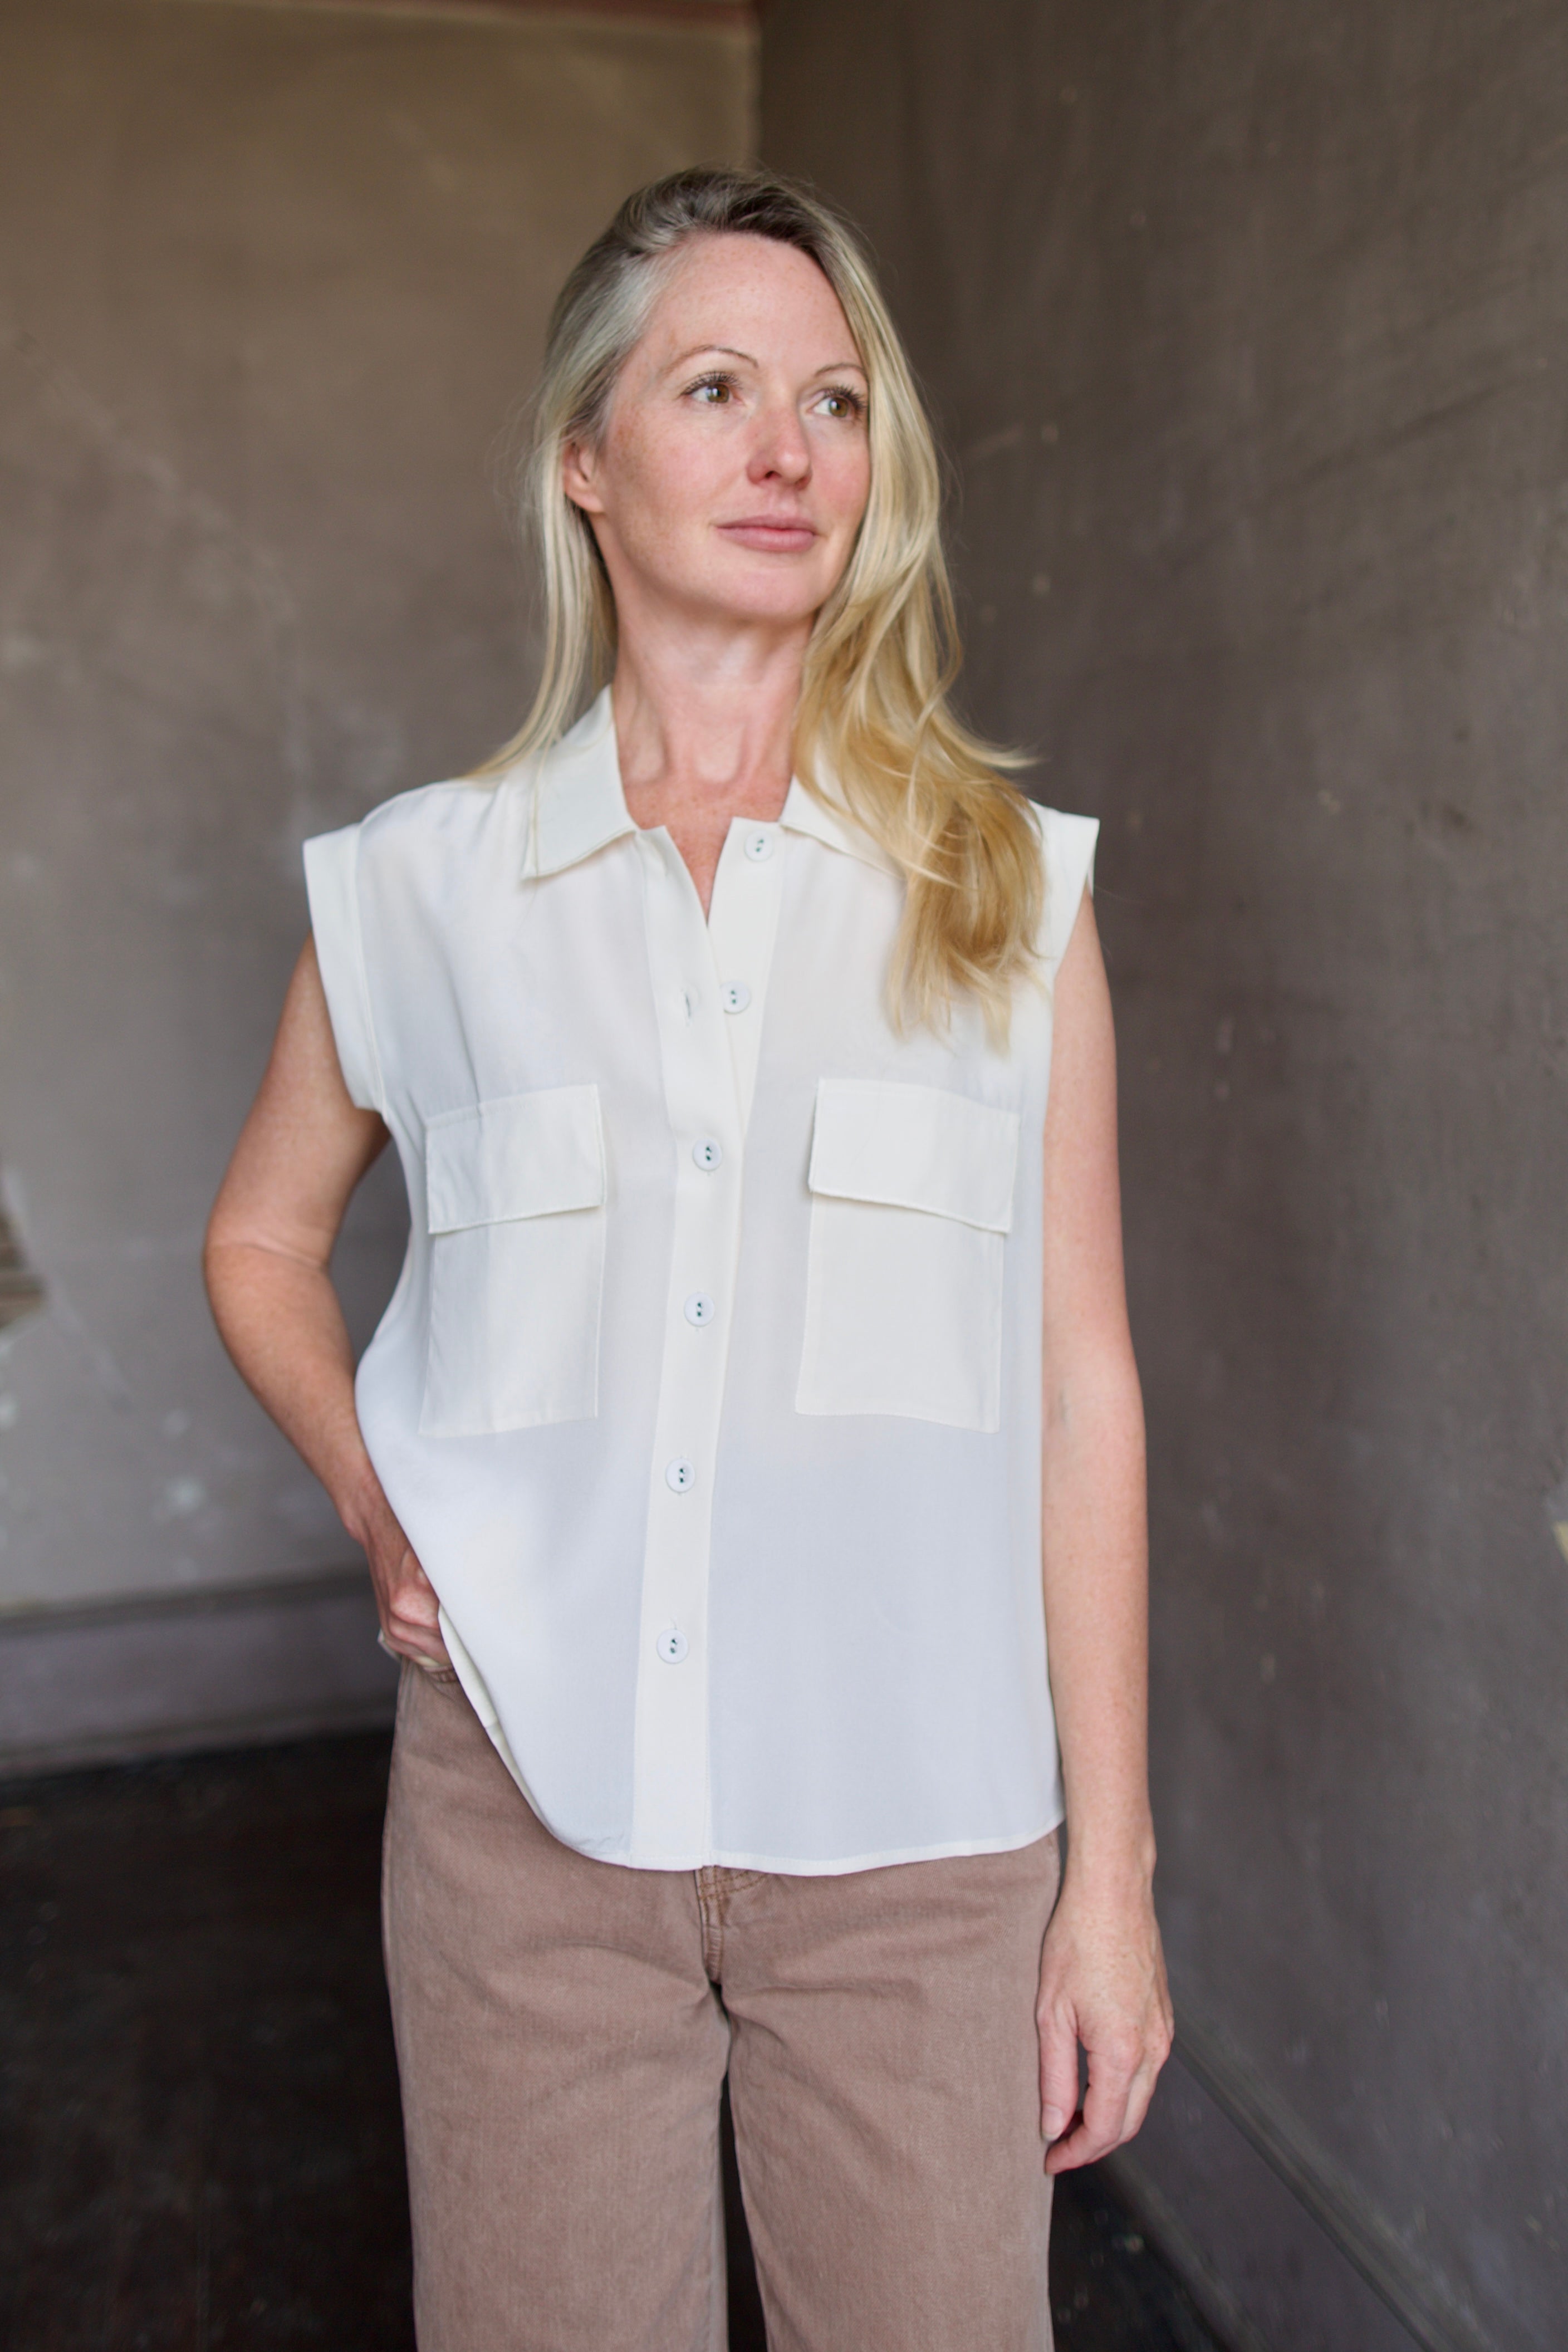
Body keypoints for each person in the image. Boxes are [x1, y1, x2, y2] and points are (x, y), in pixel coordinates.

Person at [205, 166, 1172, 2352]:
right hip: (522, 1830)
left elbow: (1078, 1383)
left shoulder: (1009, 896)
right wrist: (376, 1501)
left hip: (917, 1853)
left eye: (832, 404)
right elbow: (262, 1237)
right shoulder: (418, 893)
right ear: (583, 460)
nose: (785, 452)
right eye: (714, 387)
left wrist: (1103, 1881)